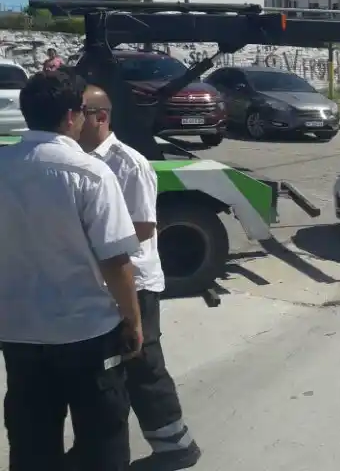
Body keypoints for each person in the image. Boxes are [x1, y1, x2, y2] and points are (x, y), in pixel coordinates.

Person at [0, 69, 142, 471]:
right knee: (102, 438)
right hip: (87, 334)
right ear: (69, 116)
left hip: (19, 333)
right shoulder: (91, 172)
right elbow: (115, 260)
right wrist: (132, 321)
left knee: (30, 439)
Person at [69, 84, 202, 471]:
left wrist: (94, 248)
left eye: (79, 111)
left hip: (135, 282)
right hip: (104, 280)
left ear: (101, 116)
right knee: (111, 369)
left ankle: (176, 447)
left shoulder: (129, 163)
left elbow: (143, 226)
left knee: (142, 364)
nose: (73, 119)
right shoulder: (81, 160)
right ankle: (98, 447)